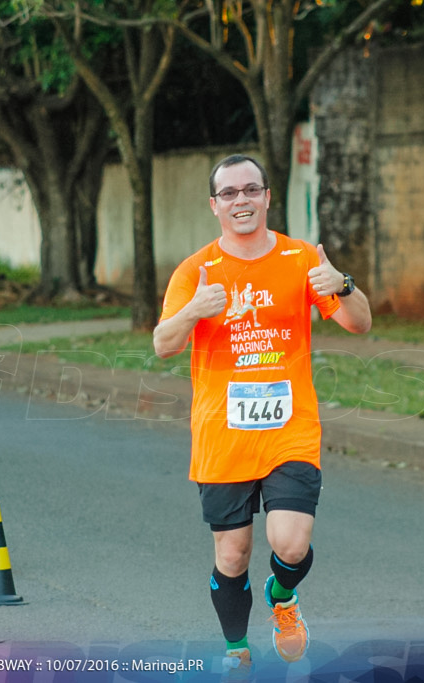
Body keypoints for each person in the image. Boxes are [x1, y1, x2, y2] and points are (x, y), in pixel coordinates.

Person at [153, 154, 372, 675]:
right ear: (214, 205)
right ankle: (235, 647)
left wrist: (340, 283)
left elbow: (359, 322)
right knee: (231, 555)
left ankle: (283, 595)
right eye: (229, 193)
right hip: (223, 436)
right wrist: (192, 311)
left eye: (251, 190)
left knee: (290, 543)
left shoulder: (301, 261)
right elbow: (163, 344)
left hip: (289, 431)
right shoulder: (195, 270)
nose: (241, 200)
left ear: (268, 197)